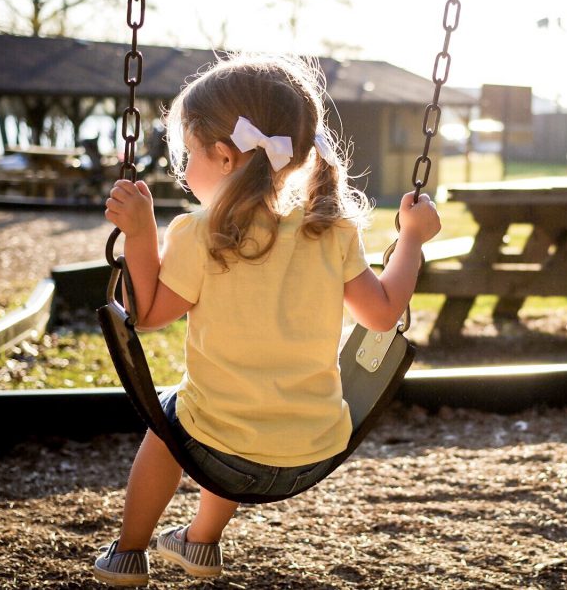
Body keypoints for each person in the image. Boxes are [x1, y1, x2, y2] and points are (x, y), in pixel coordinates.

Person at [93, 54, 440, 587]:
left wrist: (141, 236)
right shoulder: (333, 231)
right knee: (228, 410)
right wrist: (411, 238)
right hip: (309, 450)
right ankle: (200, 542)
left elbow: (149, 315)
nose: (184, 170)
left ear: (224, 157)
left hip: (220, 450)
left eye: (188, 154)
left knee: (171, 421)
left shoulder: (200, 232)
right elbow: (384, 313)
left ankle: (128, 552)